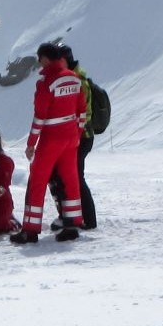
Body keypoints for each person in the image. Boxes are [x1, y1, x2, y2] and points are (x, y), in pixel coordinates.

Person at [12, 42, 86, 244]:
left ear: (45, 58)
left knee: (37, 181)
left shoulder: (46, 83)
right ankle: (72, 223)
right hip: (70, 136)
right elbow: (81, 111)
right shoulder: (74, 78)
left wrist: (30, 144)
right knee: (70, 181)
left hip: (51, 137)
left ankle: (30, 229)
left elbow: (39, 118)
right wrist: (77, 133)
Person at [49, 44, 98, 230]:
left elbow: (83, 113)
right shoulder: (70, 78)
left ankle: (84, 219)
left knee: (74, 176)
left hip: (80, 137)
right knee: (65, 175)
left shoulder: (77, 80)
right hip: (75, 137)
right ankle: (70, 216)